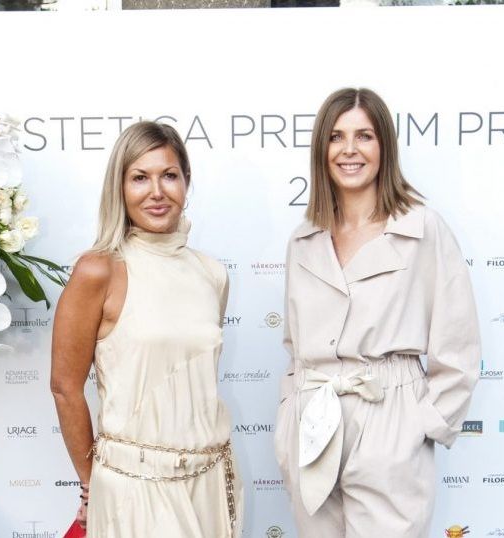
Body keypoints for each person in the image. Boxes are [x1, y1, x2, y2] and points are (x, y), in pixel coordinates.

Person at [274, 88, 480, 537]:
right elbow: (295, 346)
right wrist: (290, 416)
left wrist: (420, 425)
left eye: (364, 136)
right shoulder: (303, 239)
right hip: (314, 424)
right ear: (321, 149)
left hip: (389, 417)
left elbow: (457, 343)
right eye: (336, 137)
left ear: (384, 145)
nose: (349, 149)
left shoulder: (422, 229)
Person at [51, 121, 242, 538]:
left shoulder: (212, 273)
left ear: (186, 181)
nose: (157, 192)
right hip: (132, 488)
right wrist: (92, 482)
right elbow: (65, 387)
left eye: (169, 175)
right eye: (140, 178)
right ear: (119, 187)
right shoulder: (99, 270)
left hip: (210, 482)